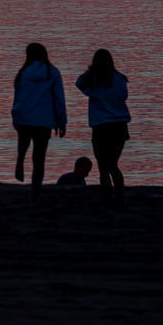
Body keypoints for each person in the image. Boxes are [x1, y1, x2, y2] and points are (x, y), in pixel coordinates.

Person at [75, 48, 132, 208]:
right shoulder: (120, 79)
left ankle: (107, 197)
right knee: (113, 164)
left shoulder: (93, 80)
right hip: (119, 126)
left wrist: (90, 71)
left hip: (101, 127)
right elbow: (124, 96)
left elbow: (79, 82)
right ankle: (120, 197)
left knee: (103, 167)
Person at [11, 42, 67, 202]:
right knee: (39, 158)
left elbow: (18, 97)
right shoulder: (52, 72)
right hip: (43, 120)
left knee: (23, 142)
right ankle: (35, 193)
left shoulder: (23, 73)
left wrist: (15, 115)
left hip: (24, 117)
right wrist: (61, 121)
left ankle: (20, 160)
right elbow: (59, 99)